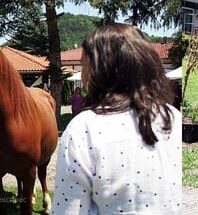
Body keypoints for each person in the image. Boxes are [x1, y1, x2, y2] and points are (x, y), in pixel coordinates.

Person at [53, 24, 181, 214]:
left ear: (101, 70)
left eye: (84, 65)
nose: (83, 73)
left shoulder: (83, 129)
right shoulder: (174, 118)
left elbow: (68, 209)